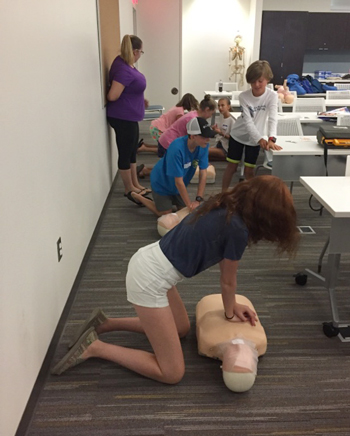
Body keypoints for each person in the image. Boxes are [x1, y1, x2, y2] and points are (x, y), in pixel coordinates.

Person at [51, 175, 299, 384]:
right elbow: (227, 281)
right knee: (172, 372)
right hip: (150, 279)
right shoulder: (238, 230)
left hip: (152, 260)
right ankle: (95, 348)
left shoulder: (223, 205)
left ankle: (105, 323)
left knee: (182, 328)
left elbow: (225, 276)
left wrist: (232, 305)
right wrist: (230, 312)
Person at [131, 117, 216, 215]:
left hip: (178, 185)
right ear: (193, 136)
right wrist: (189, 205)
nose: (208, 140)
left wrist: (198, 199)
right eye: (205, 137)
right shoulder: (177, 149)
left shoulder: (203, 146)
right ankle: (139, 197)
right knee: (166, 213)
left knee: (182, 211)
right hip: (161, 182)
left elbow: (203, 172)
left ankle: (170, 200)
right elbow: (178, 182)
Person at [222, 60, 282, 191]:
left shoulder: (272, 96)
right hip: (238, 135)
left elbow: (273, 118)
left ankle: (251, 197)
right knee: (231, 167)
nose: (256, 84)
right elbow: (248, 122)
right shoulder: (244, 96)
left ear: (267, 79)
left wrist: (272, 138)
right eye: (253, 81)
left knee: (249, 171)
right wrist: (260, 139)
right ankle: (222, 195)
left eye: (260, 81)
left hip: (255, 138)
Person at [106, 34, 151, 205]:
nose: (140, 55)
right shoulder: (123, 69)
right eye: (141, 52)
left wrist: (139, 100)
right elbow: (113, 95)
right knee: (125, 152)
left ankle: (135, 184)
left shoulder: (124, 63)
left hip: (130, 115)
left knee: (132, 151)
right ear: (135, 51)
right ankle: (128, 188)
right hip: (122, 117)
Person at [209, 97, 236, 161]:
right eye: (218, 106)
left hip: (226, 149)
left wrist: (221, 133)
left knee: (202, 150)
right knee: (202, 153)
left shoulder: (232, 120)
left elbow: (233, 139)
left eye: (222, 105)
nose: (220, 108)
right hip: (219, 144)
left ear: (228, 106)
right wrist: (215, 129)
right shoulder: (221, 116)